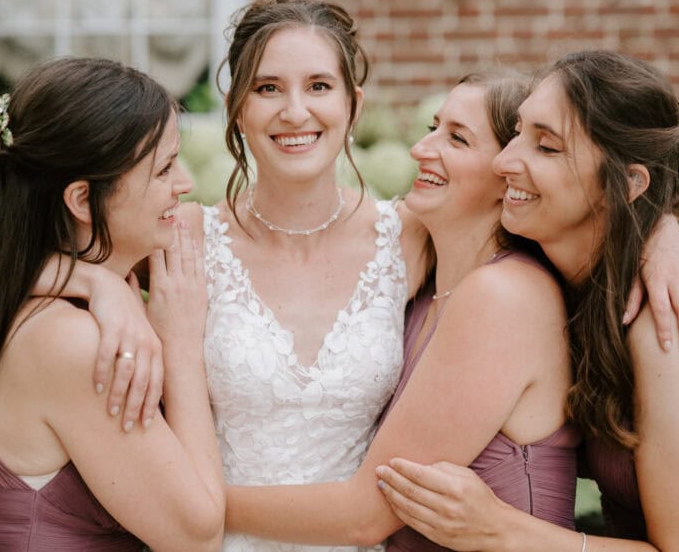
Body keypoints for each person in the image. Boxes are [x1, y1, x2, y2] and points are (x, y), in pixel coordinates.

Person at [0, 0, 679, 552]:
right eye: (268, 89)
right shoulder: (182, 236)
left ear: (352, 104)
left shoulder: (412, 235)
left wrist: (661, 231)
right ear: (237, 112)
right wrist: (90, 287)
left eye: (319, 86)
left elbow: (560, 184)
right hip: (194, 536)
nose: (296, 111)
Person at [375, 50, 679, 551]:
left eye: (547, 148)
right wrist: (662, 225)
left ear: (625, 185)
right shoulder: (557, 276)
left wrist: (498, 529)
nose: (504, 161)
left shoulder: (669, 323)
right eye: (517, 133)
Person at [222, 71, 577, 551]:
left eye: (456, 138)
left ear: (508, 171)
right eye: (433, 128)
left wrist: (190, 502)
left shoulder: (504, 295)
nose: (421, 149)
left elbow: (364, 516)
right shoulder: (427, 282)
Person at [0, 57, 225, 550]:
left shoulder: (58, 291)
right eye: (163, 169)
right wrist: (180, 341)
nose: (184, 185)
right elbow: (198, 536)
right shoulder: (69, 340)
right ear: (80, 199)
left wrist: (98, 282)